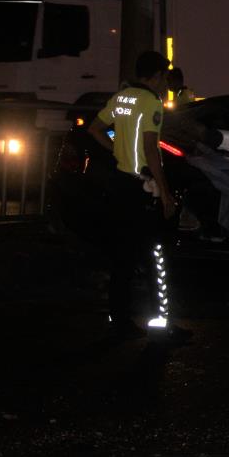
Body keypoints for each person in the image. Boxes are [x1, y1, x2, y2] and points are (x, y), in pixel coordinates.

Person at [88, 51, 177, 337]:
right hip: (141, 187)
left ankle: (120, 320)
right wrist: (165, 192)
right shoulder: (151, 101)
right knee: (157, 254)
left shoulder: (121, 97)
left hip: (120, 184)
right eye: (164, 77)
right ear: (157, 76)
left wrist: (116, 150)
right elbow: (152, 150)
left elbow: (96, 129)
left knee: (123, 256)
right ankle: (162, 323)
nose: (165, 84)